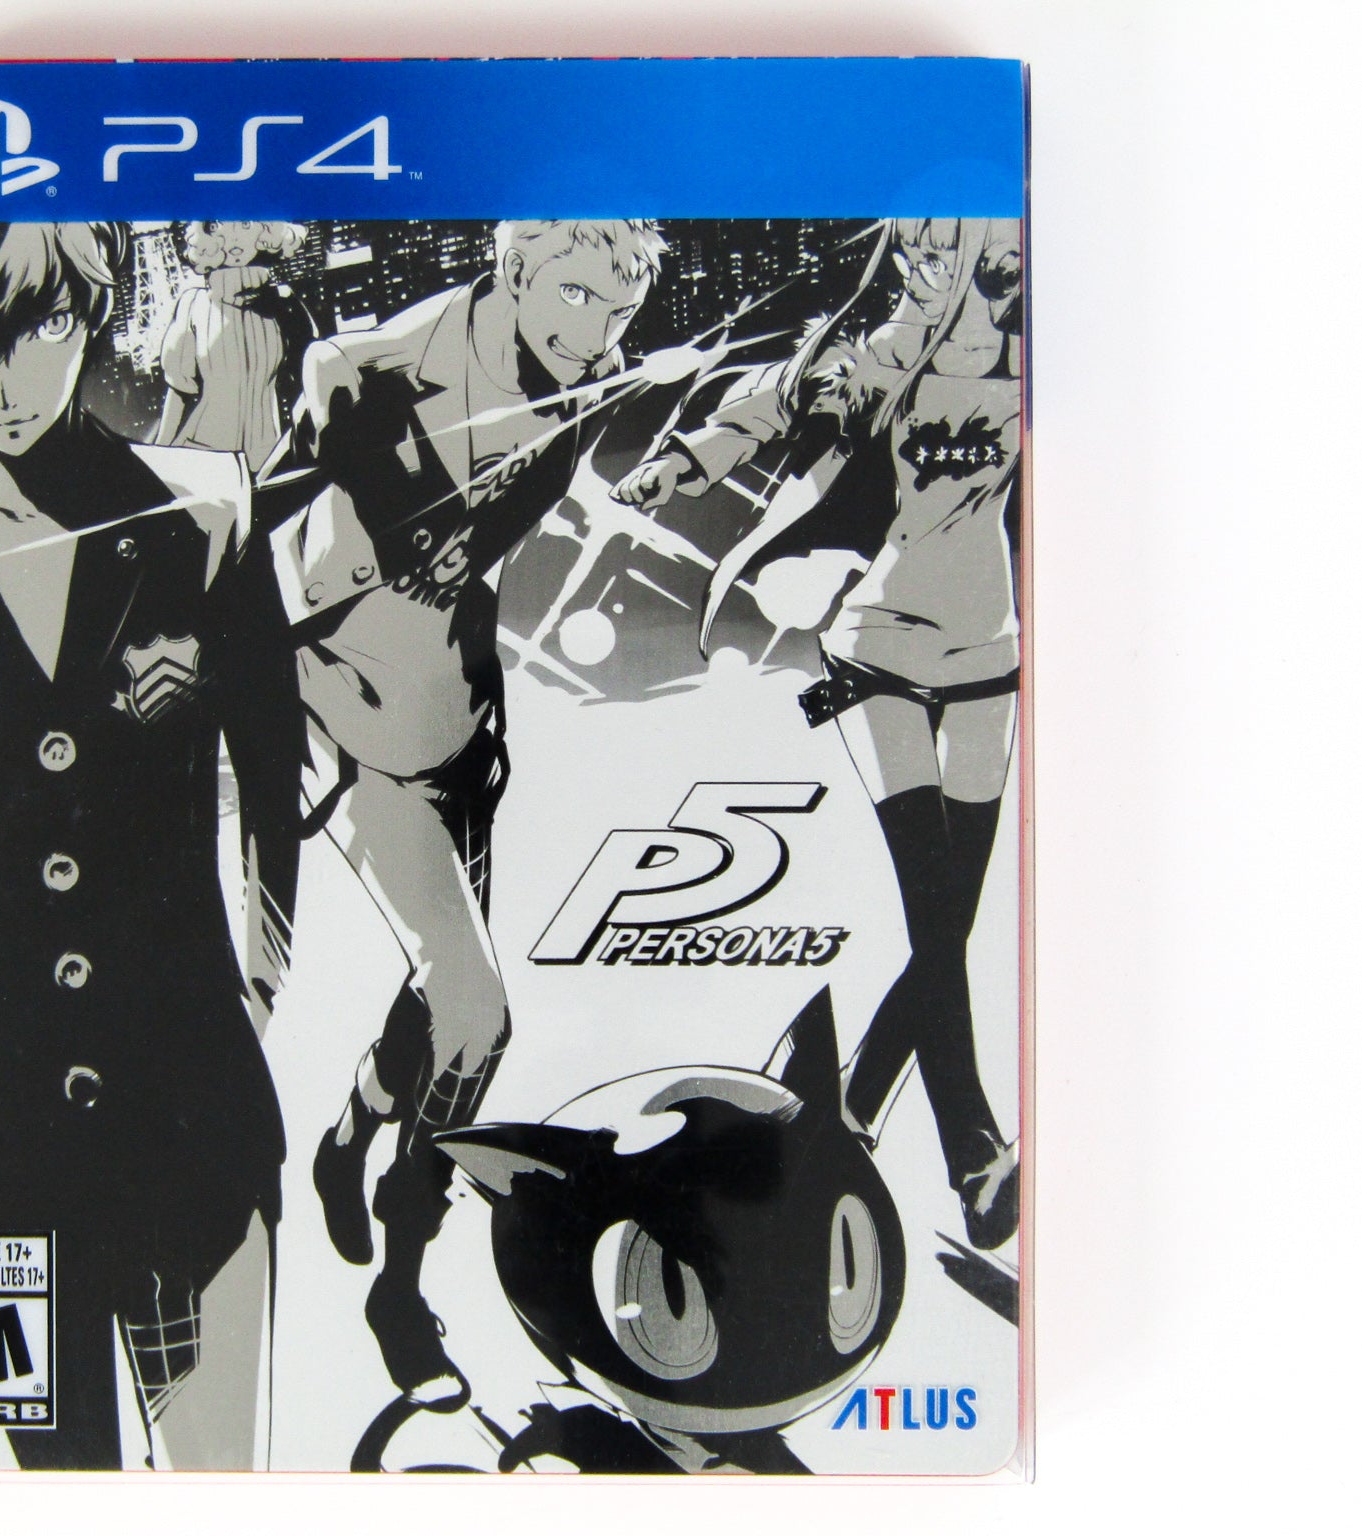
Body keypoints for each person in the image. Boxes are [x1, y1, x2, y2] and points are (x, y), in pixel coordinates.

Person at [0, 221, 302, 1469]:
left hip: (193, 1124)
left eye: (42, 327)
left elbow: (273, 776)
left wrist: (253, 988)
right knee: (38, 1498)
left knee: (220, 1485)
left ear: (91, 310)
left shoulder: (203, 513)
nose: (5, 383)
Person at [265, 219, 665, 1404]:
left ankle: (350, 1135)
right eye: (577, 296)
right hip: (347, 709)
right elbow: (330, 380)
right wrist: (403, 508)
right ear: (514, 270)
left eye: (617, 311)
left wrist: (466, 534)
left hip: (457, 715)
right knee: (476, 1012)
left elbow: (507, 510)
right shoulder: (396, 357)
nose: (595, 331)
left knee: (439, 991)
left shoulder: (585, 379)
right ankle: (401, 1282)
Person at [612, 217, 1024, 1250]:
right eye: (919, 250)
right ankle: (972, 1150)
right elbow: (778, 399)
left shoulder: (1036, 357)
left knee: (946, 925)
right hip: (873, 650)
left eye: (957, 249)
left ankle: (848, 1111)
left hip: (990, 658)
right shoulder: (884, 353)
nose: (930, 267)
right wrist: (685, 462)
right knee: (935, 915)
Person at [154, 221, 315, 470]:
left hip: (269, 456)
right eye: (217, 226)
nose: (235, 237)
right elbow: (179, 391)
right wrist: (158, 458)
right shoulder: (193, 305)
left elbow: (310, 380)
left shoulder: (284, 303)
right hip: (204, 454)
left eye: (245, 224)